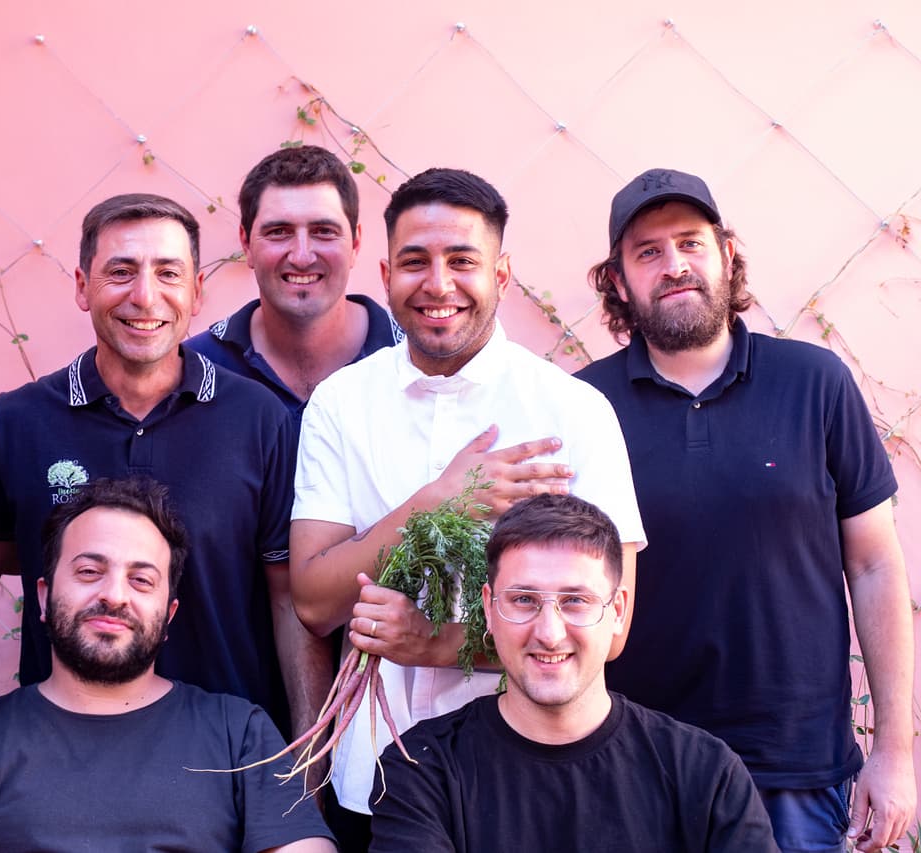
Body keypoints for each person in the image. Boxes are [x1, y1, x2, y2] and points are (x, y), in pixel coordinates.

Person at [289, 167, 646, 848]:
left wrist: (431, 644)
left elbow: (613, 626)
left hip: (532, 781)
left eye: (463, 260)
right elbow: (313, 598)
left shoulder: (573, 411)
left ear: (503, 274)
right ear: (388, 271)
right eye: (416, 261)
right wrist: (439, 500)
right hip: (375, 780)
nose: (439, 283)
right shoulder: (341, 404)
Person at [576, 167, 916, 853]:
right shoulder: (584, 407)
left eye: (690, 243)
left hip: (798, 775)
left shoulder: (816, 383)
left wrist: (895, 750)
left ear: (726, 254)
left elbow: (876, 564)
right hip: (637, 768)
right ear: (617, 280)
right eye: (648, 251)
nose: (674, 265)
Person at [0, 193, 325, 742]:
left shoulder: (258, 419)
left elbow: (288, 600)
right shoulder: (18, 422)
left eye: (168, 273)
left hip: (224, 752)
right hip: (57, 753)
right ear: (81, 285)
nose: (145, 296)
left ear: (197, 291)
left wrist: (308, 756)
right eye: (120, 271)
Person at [0, 478, 334, 852]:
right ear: (43, 596)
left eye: (141, 580)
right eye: (88, 571)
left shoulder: (240, 733)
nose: (115, 595)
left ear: (168, 617)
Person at [370, 493, 778, 851]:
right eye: (524, 599)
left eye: (576, 601)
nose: (549, 633)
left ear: (617, 611)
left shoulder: (704, 773)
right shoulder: (421, 771)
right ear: (489, 608)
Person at [186, 144, 401, 420]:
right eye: (279, 232)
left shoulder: (415, 363)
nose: (301, 257)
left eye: (324, 231)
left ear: (355, 243)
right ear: (246, 243)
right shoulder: (194, 371)